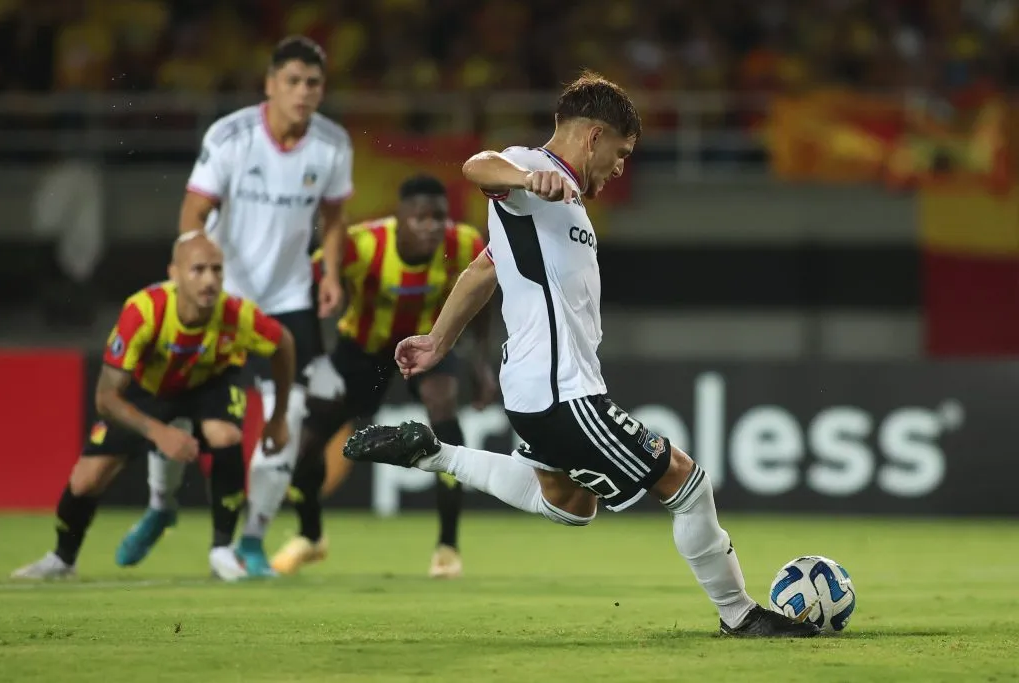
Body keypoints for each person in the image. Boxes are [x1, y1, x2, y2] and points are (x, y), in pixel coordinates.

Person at [342, 72, 819, 637]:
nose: (620, 168)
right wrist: (526, 177)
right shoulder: (528, 171)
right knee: (687, 485)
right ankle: (740, 616)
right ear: (593, 137)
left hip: (542, 390)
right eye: (621, 153)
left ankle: (433, 453)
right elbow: (477, 165)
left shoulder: (561, 203)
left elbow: (485, 268)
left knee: (570, 503)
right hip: (561, 391)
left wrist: (437, 341)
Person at [116, 35, 354, 577]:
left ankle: (252, 539)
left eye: (313, 83)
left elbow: (335, 217)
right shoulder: (231, 137)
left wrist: (331, 273)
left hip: (289, 298)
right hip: (224, 298)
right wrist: (194, 283)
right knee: (176, 405)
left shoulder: (333, 144)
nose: (303, 92)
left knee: (286, 418)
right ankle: (160, 508)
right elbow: (192, 215)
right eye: (292, 81)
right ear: (270, 84)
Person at [11, 233, 296, 580]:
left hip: (211, 383)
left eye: (217, 270)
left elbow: (284, 343)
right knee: (86, 480)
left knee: (225, 436)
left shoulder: (236, 314)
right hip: (148, 390)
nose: (209, 280)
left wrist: (278, 418)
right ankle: (62, 559)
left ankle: (222, 550)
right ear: (174, 274)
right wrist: (158, 432)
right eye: (198, 270)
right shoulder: (143, 312)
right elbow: (105, 397)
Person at [270, 174, 498, 578]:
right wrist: (317, 357)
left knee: (445, 416)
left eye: (439, 218)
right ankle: (310, 536)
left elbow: (482, 299)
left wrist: (480, 363)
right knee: (307, 443)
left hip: (428, 347)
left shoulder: (464, 243)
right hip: (361, 351)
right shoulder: (362, 244)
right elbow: (302, 288)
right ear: (400, 217)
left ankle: (447, 548)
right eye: (421, 218)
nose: (431, 227)